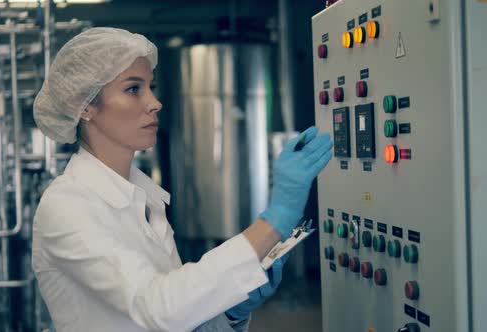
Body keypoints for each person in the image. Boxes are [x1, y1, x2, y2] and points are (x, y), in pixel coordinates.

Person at [31, 27, 332, 332]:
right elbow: (158, 308)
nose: (155, 102)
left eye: (152, 86)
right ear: (85, 106)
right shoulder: (67, 206)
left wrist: (231, 312)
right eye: (134, 89)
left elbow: (176, 319)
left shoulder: (144, 198)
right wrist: (275, 220)